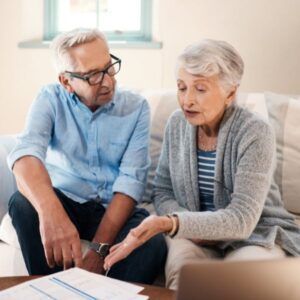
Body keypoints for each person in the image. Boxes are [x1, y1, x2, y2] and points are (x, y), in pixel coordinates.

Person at [104, 39, 300, 289]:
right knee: (183, 275)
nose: (187, 100)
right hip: (193, 234)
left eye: (200, 89)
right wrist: (192, 226)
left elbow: (242, 219)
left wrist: (174, 222)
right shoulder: (177, 124)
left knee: (236, 283)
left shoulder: (255, 132)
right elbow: (162, 192)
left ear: (230, 92)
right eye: (182, 87)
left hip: (255, 235)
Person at [7, 28, 167, 283]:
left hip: (111, 209)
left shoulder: (136, 108)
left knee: (153, 243)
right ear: (66, 81)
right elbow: (25, 155)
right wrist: (52, 214)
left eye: (109, 68)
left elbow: (130, 183)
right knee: (22, 204)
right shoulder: (50, 98)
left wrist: (97, 250)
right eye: (93, 75)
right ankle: (53, 290)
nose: (107, 81)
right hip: (66, 201)